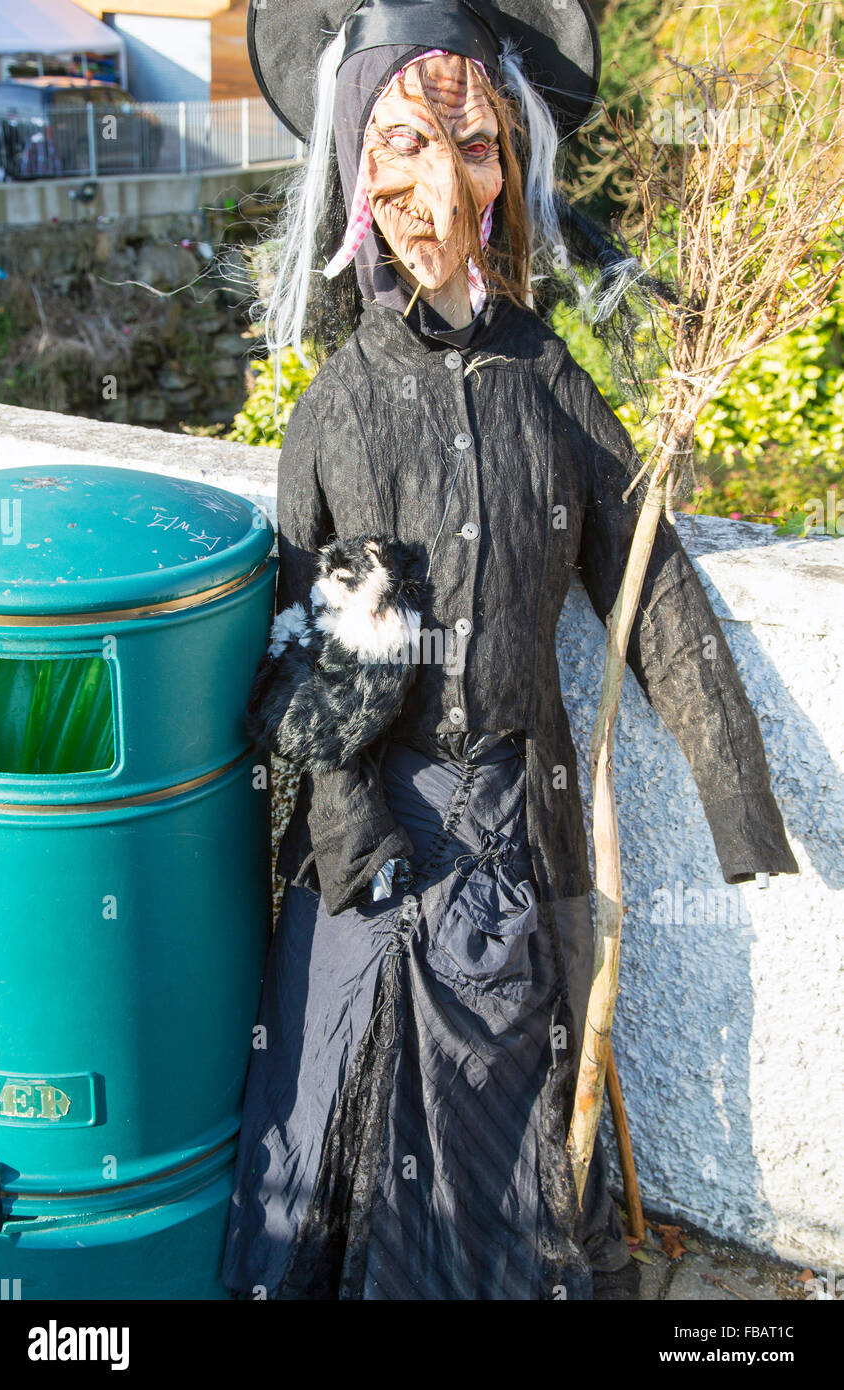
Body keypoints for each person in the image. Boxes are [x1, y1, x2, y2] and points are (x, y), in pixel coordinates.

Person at [222, 0, 798, 1301]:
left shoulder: (550, 377)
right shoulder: (343, 410)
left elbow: (648, 590)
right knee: (353, 1165)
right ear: (361, 171)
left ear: (510, 166)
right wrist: (360, 839)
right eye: (407, 144)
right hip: (378, 866)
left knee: (515, 1169)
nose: (444, 182)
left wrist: (738, 803)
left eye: (473, 145)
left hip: (521, 841)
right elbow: (325, 652)